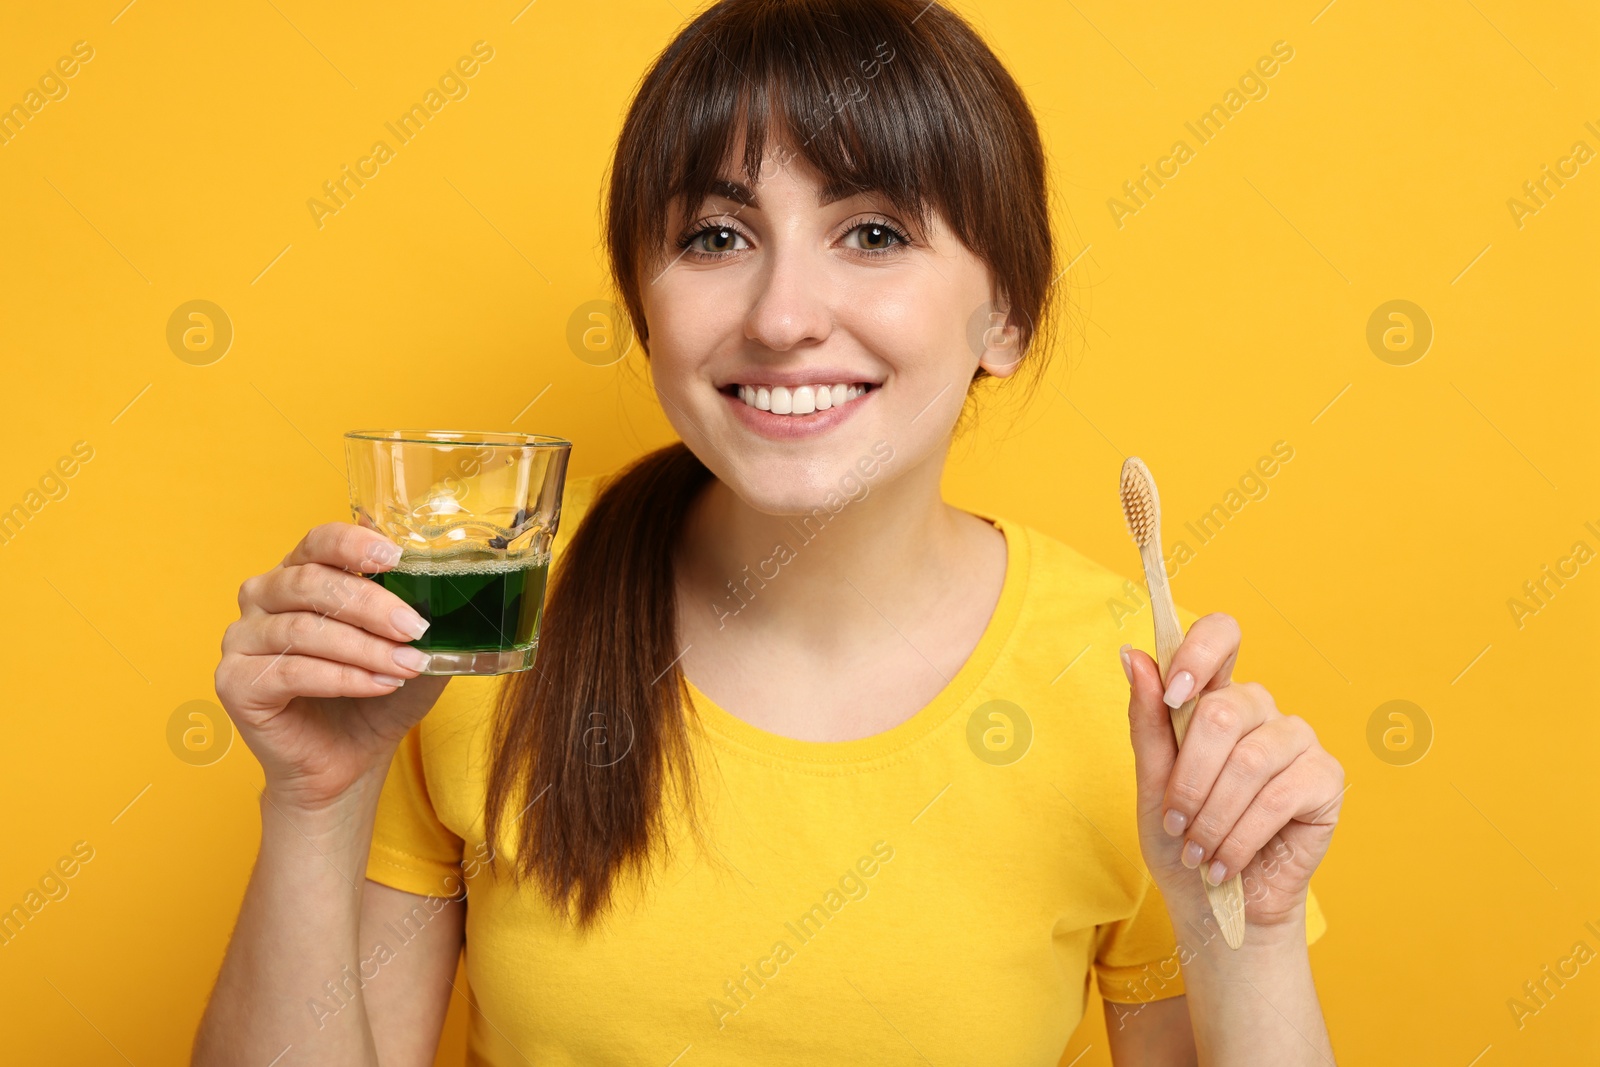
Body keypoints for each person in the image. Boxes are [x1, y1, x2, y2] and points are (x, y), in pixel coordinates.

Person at [193, 0, 1345, 1063]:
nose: (782, 316)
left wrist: (1241, 922)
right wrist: (315, 801)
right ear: (644, 306)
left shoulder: (1131, 691)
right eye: (715, 237)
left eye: (875, 233)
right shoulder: (490, 614)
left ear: (1006, 313)